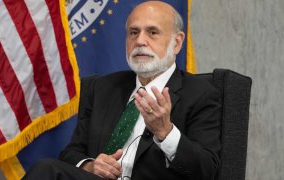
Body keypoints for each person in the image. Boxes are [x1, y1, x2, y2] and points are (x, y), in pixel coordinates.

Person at [23, 1, 221, 180]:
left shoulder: (201, 93)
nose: (140, 41)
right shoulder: (102, 88)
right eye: (134, 32)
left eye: (152, 32)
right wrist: (90, 165)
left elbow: (207, 170)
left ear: (177, 42)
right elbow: (71, 153)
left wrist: (165, 132)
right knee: (47, 169)